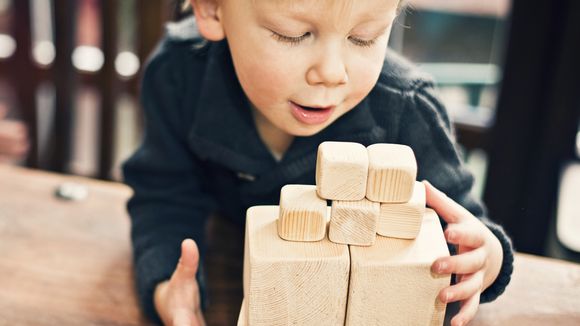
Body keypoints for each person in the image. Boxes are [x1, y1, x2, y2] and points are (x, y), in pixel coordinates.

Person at [122, 0, 514, 325]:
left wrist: (486, 260)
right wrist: (166, 287)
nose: (331, 73)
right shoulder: (179, 74)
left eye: (365, 38)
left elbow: (467, 228)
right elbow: (163, 197)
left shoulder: (407, 110)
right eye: (293, 35)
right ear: (211, 10)